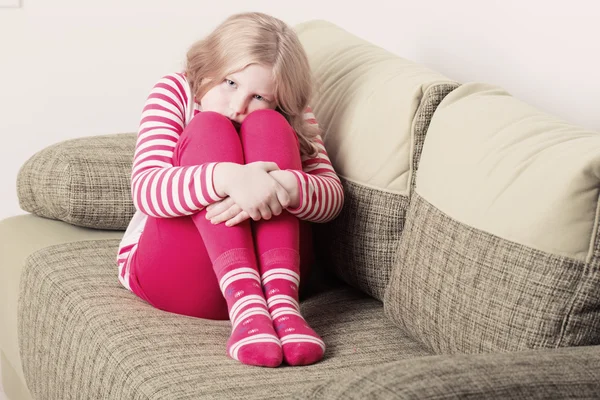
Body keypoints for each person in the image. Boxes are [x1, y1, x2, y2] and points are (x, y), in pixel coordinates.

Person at [116, 11, 344, 368]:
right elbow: (146, 189)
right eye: (231, 84)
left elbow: (332, 200)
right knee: (210, 127)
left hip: (277, 280)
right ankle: (245, 303)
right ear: (208, 69)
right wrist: (227, 179)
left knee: (268, 126)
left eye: (259, 96)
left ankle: (283, 307)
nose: (238, 107)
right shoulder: (175, 90)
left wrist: (283, 184)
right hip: (182, 274)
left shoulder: (287, 113)